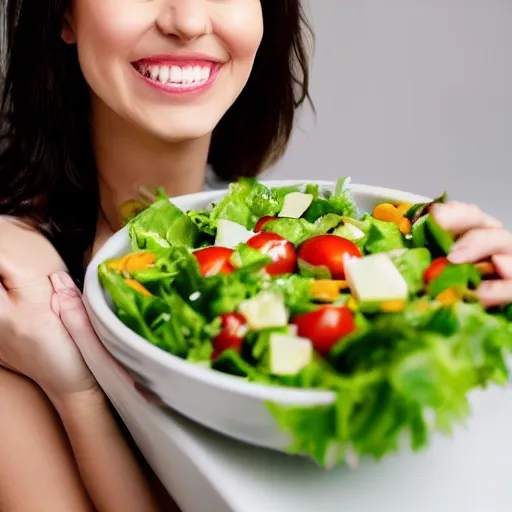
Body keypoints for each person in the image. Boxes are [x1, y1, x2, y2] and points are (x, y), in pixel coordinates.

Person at [0, 0, 511, 510]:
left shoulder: (285, 245)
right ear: (64, 13)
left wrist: (466, 304)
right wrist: (78, 392)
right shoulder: (19, 282)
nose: (188, 21)